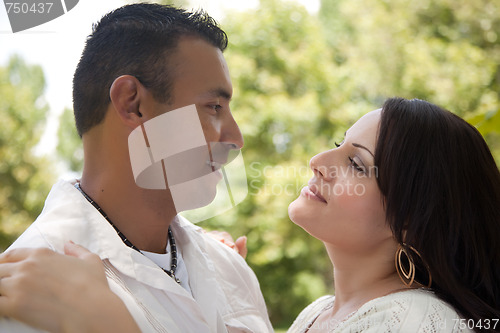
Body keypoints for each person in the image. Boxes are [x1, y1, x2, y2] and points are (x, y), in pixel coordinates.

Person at [2, 97, 499, 333]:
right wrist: (203, 284)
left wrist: (112, 324)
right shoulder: (317, 316)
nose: (319, 163)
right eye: (335, 144)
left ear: (412, 220)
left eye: (356, 163)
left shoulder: (419, 323)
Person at [0, 3, 273, 333]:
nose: (236, 138)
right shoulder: (28, 295)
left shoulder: (230, 269)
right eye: (213, 107)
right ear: (133, 103)